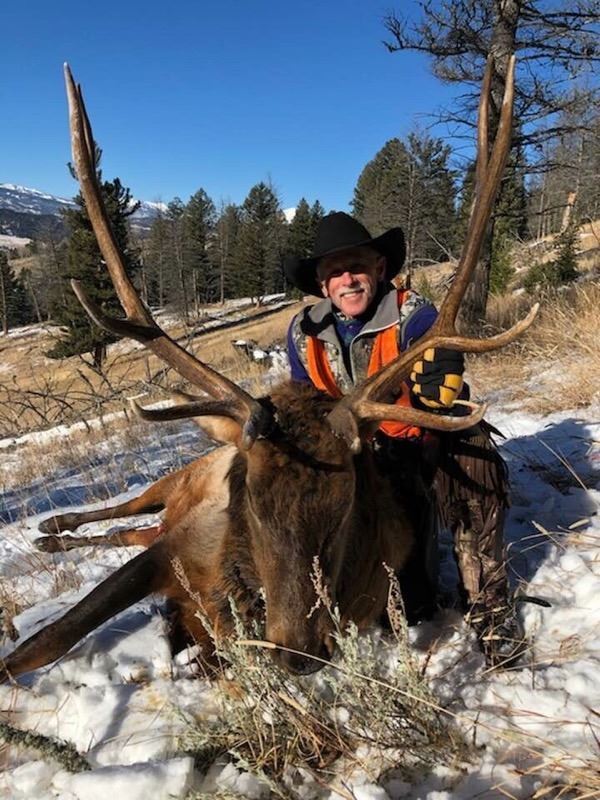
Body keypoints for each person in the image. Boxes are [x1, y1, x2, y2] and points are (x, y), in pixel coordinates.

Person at [284, 211, 524, 668]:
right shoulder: (303, 332)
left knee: (473, 453)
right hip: (353, 463)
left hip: (417, 455)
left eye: (357, 266)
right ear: (321, 283)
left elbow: (435, 351)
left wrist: (440, 374)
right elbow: (300, 405)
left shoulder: (414, 314)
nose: (348, 279)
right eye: (335, 271)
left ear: (379, 268)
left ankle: (489, 604)